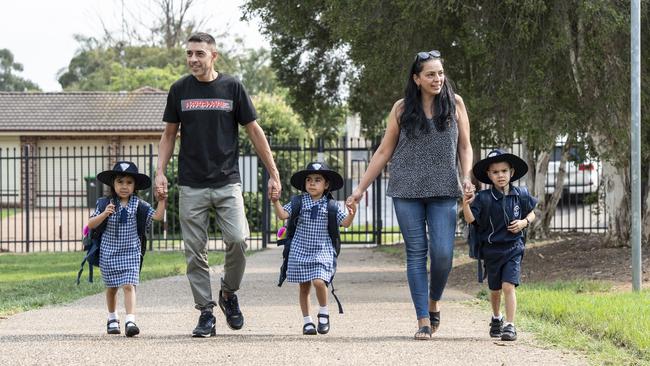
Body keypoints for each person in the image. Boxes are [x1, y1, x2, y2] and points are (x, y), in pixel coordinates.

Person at [155, 32, 281, 337]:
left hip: (227, 182)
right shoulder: (179, 90)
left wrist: (274, 173)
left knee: (239, 240)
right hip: (191, 184)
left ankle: (228, 293)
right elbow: (170, 134)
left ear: (214, 56)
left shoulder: (232, 87)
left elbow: (254, 130)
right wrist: (160, 171)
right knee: (194, 252)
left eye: (199, 53)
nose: (193, 59)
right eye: (189, 54)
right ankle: (206, 313)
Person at [345, 50, 474, 340]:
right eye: (430, 74)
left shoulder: (455, 104)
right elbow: (383, 151)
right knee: (416, 254)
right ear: (416, 79)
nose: (437, 79)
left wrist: (466, 177)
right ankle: (423, 321)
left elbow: (465, 147)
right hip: (406, 189)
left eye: (440, 73)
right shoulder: (402, 109)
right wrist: (360, 188)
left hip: (444, 188)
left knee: (442, 255)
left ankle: (434, 302)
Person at [271, 162, 356, 335]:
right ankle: (307, 321)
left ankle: (323, 312)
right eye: (309, 180)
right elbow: (282, 215)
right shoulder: (298, 202)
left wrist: (352, 213)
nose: (312, 183)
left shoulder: (331, 205)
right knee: (304, 287)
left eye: (317, 180)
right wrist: (275, 201)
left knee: (319, 281)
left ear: (326, 185)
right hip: (300, 249)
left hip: (322, 250)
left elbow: (344, 223)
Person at [462, 149, 537, 341]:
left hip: (513, 248)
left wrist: (523, 223)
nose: (500, 175)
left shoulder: (521, 194)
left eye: (504, 171)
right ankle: (497, 318)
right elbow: (472, 221)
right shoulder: (484, 198)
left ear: (511, 172)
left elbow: (532, 213)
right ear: (489, 175)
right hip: (492, 251)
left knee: (508, 286)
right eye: (495, 172)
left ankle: (510, 325)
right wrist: (466, 204)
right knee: (495, 289)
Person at [87, 161, 166, 337]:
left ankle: (130, 320)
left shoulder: (140, 206)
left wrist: (162, 200)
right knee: (112, 287)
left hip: (131, 252)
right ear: (113, 184)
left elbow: (159, 217)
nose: (124, 186)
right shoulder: (104, 203)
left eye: (129, 183)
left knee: (129, 285)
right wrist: (104, 213)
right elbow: (91, 224)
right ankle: (112, 317)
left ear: (135, 186)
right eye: (120, 182)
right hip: (109, 253)